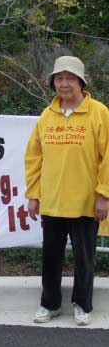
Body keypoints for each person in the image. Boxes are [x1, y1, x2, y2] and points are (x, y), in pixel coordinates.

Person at [25, 55, 109, 326]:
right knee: (51, 256)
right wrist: (34, 194)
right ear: (53, 83)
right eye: (59, 78)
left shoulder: (100, 113)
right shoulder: (47, 116)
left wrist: (104, 194)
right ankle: (49, 304)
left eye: (69, 78)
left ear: (81, 82)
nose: (64, 83)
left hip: (86, 202)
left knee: (85, 258)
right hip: (53, 201)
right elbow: (34, 157)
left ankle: (82, 304)